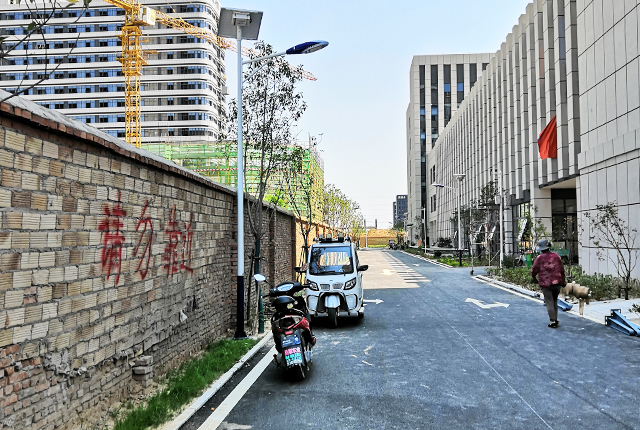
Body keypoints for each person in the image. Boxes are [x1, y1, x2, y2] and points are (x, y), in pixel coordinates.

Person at [531, 239, 566, 328]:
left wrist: (534, 277)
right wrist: (563, 281)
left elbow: (534, 270)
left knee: (549, 302)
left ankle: (553, 321)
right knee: (555, 300)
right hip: (557, 283)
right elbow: (562, 270)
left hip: (546, 284)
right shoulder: (556, 257)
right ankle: (556, 319)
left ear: (541, 249)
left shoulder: (540, 258)